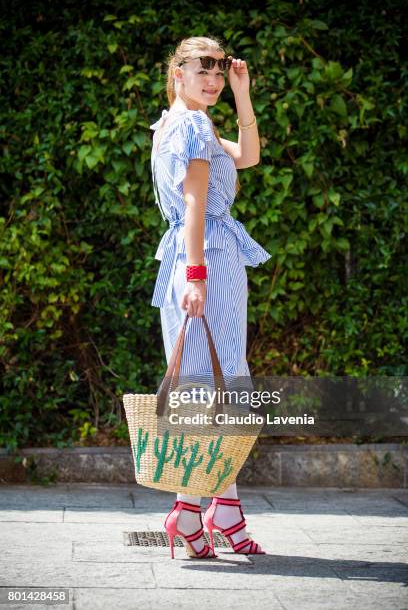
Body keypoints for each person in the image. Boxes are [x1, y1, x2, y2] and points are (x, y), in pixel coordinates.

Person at [149, 36, 271, 559]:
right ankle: (190, 510)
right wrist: (198, 274)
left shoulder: (177, 123)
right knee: (214, 387)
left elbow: (247, 157)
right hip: (207, 260)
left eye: (221, 70)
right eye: (204, 69)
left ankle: (220, 512)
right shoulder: (192, 125)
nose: (215, 79)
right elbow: (196, 203)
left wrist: (243, 95)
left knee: (211, 383)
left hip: (189, 259)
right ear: (177, 73)